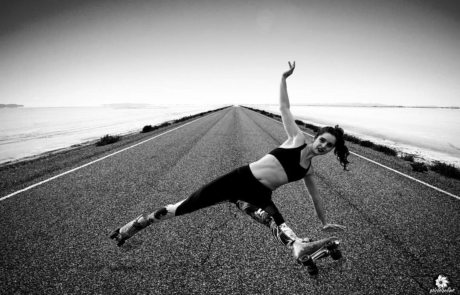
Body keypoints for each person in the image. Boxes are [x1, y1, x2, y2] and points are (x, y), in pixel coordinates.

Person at [110, 61, 350, 262]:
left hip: (258, 196)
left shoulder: (308, 170)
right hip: (237, 180)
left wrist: (325, 222)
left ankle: (298, 248)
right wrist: (283, 78)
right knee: (178, 209)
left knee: (277, 223)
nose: (323, 146)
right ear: (315, 136)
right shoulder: (296, 139)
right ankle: (130, 228)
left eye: (329, 146)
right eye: (323, 140)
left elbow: (315, 198)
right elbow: (284, 108)